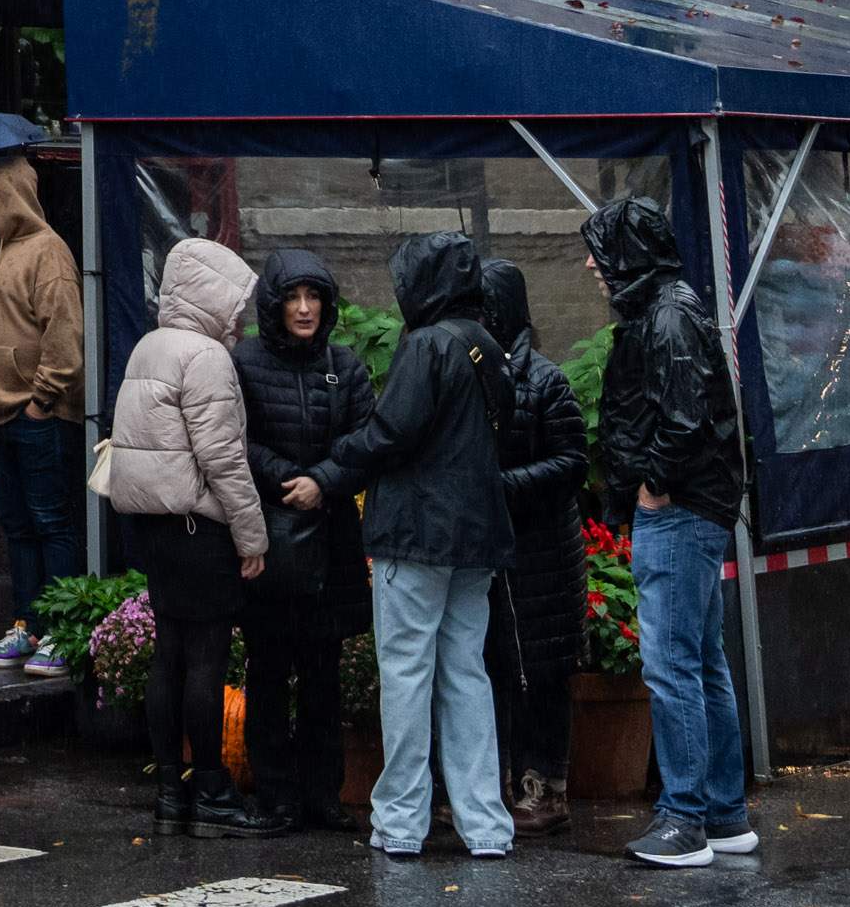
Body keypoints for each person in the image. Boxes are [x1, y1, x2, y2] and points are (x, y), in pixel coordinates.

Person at [315, 233, 514, 865]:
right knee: (466, 673)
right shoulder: (489, 346)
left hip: (414, 531)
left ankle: (401, 821)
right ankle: (486, 824)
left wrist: (330, 468)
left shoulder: (426, 344)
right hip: (476, 534)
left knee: (405, 672)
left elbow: (390, 432)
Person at [586, 193, 756, 869]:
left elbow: (681, 418)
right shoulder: (670, 307)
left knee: (672, 663)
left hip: (680, 506)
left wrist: (653, 486)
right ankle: (722, 812)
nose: (593, 266)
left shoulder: (666, 315)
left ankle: (685, 816)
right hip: (694, 503)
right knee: (701, 659)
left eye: (601, 253)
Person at [104, 233, 269, 829]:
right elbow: (223, 456)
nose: (242, 315)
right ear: (214, 297)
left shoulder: (150, 347)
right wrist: (252, 535)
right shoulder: (206, 357)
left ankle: (171, 791)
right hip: (202, 528)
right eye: (236, 302)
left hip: (156, 527)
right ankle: (214, 794)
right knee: (206, 661)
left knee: (168, 656)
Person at [230, 247, 369, 831]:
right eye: (293, 298)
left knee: (322, 673)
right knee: (267, 671)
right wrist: (291, 478)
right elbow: (234, 439)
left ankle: (323, 794)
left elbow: (367, 443)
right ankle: (276, 796)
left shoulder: (348, 364)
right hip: (272, 538)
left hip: (331, 539)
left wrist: (325, 481)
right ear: (275, 304)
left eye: (314, 297)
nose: (305, 309)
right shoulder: (245, 362)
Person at [479, 257, 589, 836]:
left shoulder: (544, 380)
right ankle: (503, 784)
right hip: (498, 555)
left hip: (544, 555)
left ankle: (546, 789)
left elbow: (572, 462)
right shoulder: (474, 373)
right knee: (495, 669)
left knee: (543, 674)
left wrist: (503, 488)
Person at [0, 156, 83, 663]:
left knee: (51, 523)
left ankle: (59, 631)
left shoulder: (47, 252)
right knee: (17, 526)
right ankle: (27, 625)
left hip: (37, 416)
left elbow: (65, 336)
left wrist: (41, 401)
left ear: (5, 197)